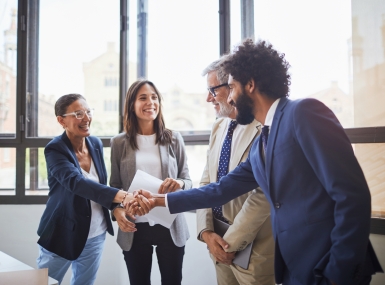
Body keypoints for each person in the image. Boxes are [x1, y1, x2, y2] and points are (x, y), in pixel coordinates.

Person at [128, 39, 383, 285]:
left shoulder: (303, 113)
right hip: (296, 269)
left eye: (232, 87)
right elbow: (220, 190)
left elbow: (352, 196)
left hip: (329, 267)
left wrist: (339, 273)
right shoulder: (264, 138)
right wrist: (157, 201)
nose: (229, 98)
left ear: (250, 84)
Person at [37, 94, 136, 285]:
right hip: (62, 233)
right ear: (61, 120)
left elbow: (100, 186)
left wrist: (116, 207)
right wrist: (122, 196)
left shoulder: (95, 144)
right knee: (44, 283)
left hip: (95, 234)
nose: (86, 118)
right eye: (78, 113)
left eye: (88, 112)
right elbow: (76, 183)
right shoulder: (55, 149)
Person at [197, 58, 274, 284]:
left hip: (254, 248)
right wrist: (206, 232)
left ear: (233, 87)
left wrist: (229, 242)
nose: (208, 98)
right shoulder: (218, 126)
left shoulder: (264, 128)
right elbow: (206, 182)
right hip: (216, 240)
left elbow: (263, 196)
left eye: (213, 90)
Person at [110, 79, 191, 285]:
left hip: (170, 224)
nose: (151, 102)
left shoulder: (174, 138)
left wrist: (179, 184)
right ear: (132, 104)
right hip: (135, 226)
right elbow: (114, 186)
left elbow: (188, 181)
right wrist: (117, 210)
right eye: (143, 98)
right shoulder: (119, 142)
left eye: (154, 97)